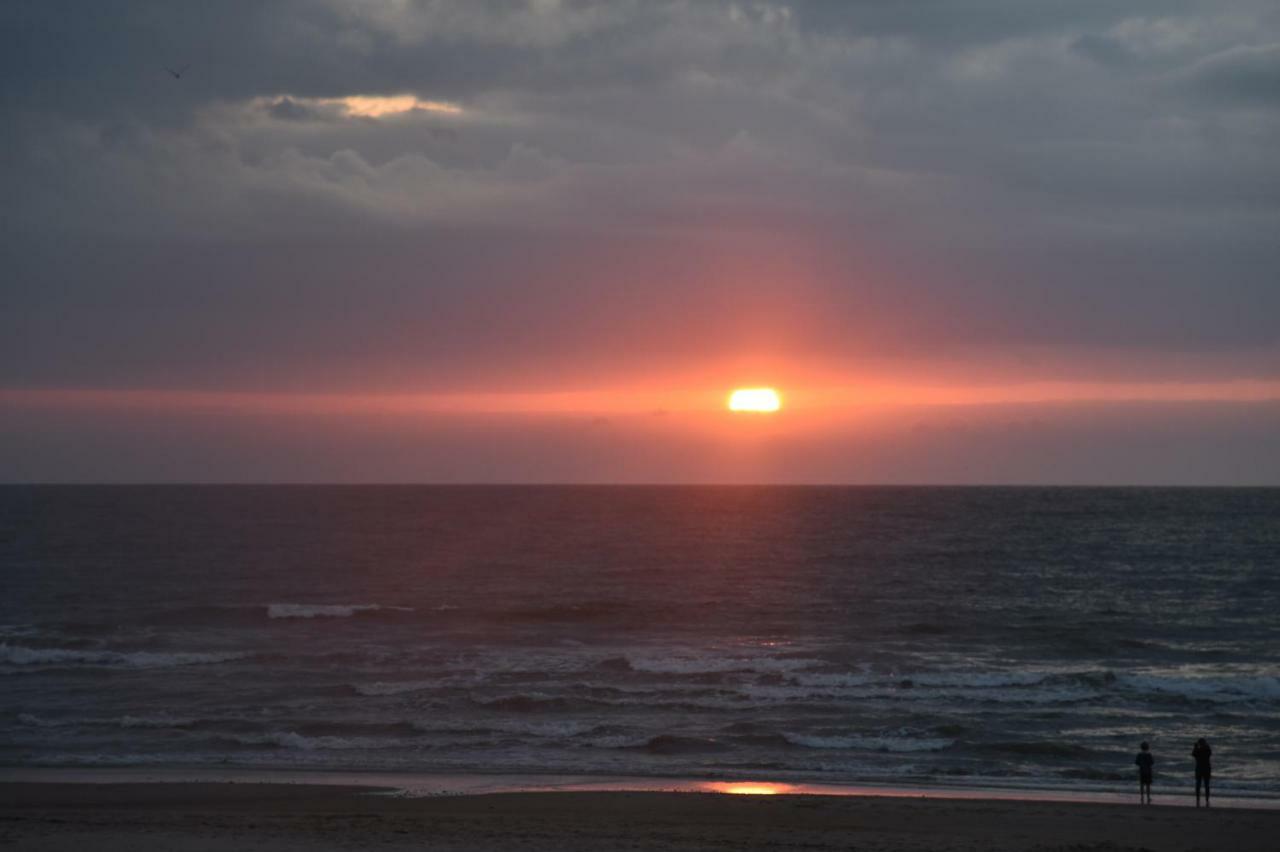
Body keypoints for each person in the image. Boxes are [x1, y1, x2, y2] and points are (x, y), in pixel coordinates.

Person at [1192, 738, 1212, 807]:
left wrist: (1195, 747)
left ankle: (1198, 800)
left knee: (1198, 785)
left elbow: (1193, 754)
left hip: (1199, 769)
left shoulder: (1198, 750)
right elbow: (1210, 753)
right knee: (1206, 785)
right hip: (1206, 769)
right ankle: (1207, 800)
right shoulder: (1207, 749)